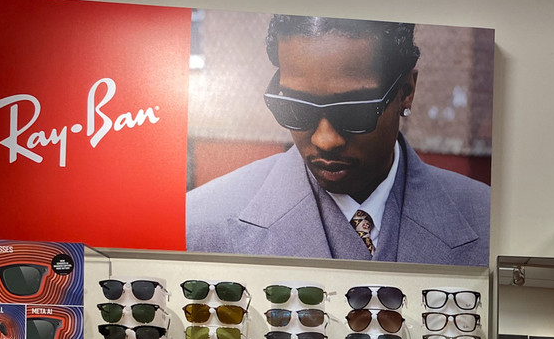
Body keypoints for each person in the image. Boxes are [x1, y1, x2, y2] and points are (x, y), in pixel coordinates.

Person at [186, 15, 490, 265]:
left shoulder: (490, 222)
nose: (325, 140)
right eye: (297, 108)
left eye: (354, 111)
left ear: (406, 92)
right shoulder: (199, 227)